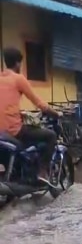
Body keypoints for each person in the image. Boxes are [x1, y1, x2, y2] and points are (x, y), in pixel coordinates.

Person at [0, 47, 61, 176]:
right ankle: (42, 171)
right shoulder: (18, 79)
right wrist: (54, 113)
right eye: (20, 63)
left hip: (1, 131)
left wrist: (19, 113)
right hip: (13, 130)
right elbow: (38, 103)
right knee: (50, 135)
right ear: (17, 63)